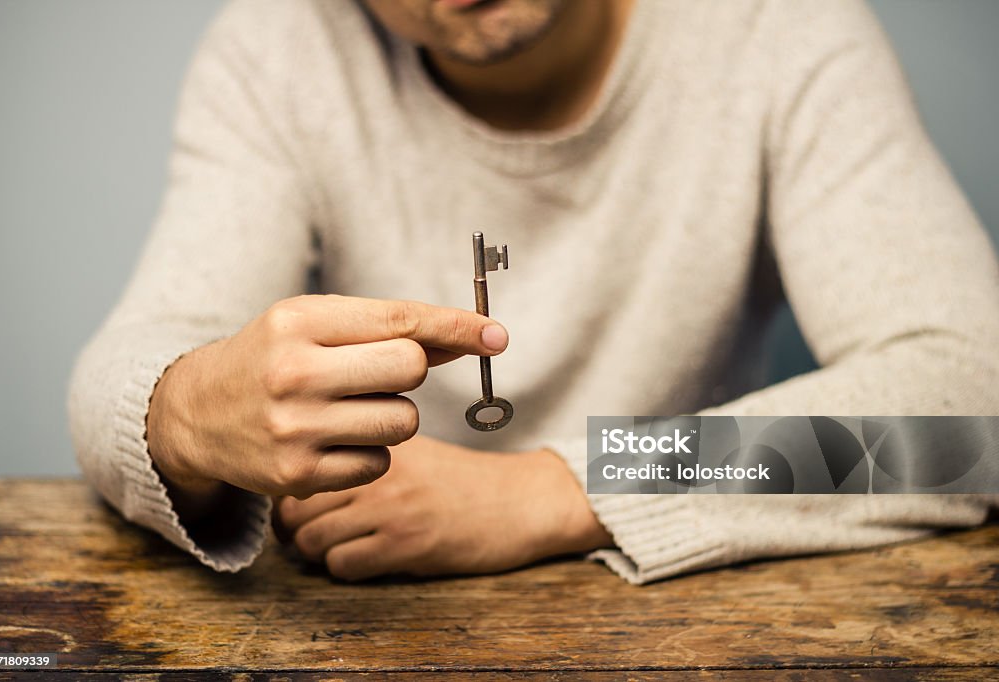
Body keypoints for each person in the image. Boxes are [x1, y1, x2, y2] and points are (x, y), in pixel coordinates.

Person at [69, 0, 999, 584]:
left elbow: (972, 411)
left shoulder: (783, 31)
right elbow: (118, 376)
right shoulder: (276, 52)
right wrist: (192, 409)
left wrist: (554, 491)